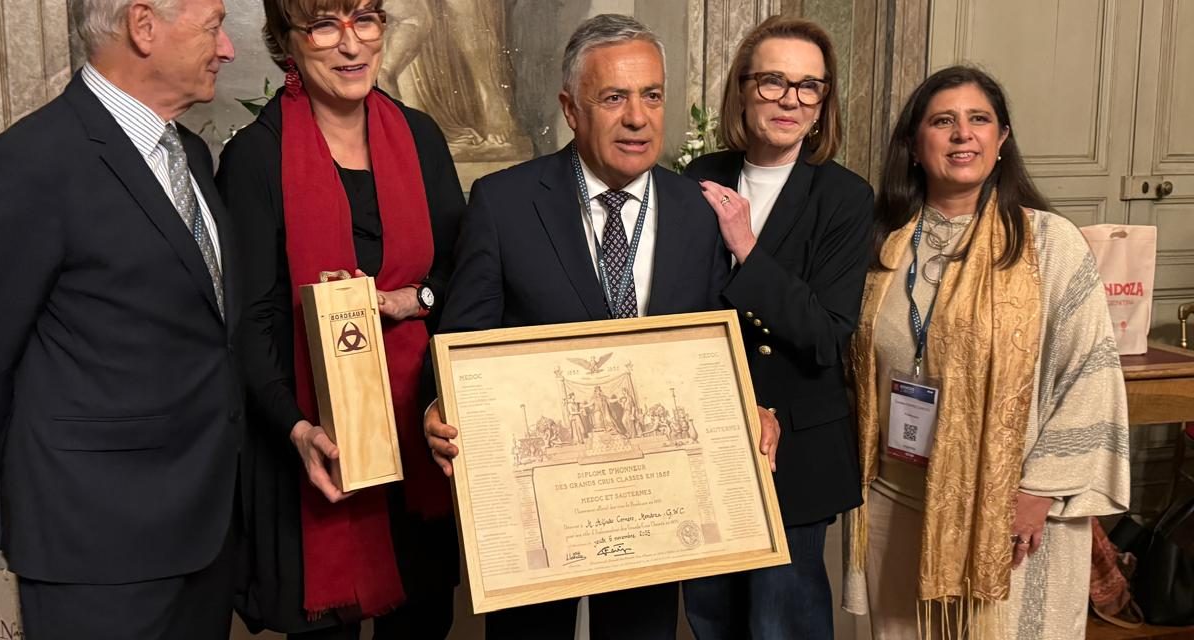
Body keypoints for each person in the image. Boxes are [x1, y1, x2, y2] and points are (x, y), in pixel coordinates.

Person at [420, 14, 780, 640]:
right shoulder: (503, 205)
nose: (638, 118)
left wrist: (750, 405)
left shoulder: (699, 214)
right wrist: (438, 403)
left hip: (654, 508)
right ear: (570, 108)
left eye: (652, 95)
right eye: (614, 97)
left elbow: (711, 351)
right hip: (541, 510)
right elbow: (462, 344)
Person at [0, 0, 239, 637]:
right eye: (213, 24)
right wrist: (42, 488)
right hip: (92, 551)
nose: (229, 48)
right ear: (143, 25)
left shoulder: (192, 157)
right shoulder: (28, 165)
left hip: (203, 534)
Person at [843, 65, 1130, 640]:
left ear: (1001, 141)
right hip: (895, 501)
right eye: (942, 121)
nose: (962, 135)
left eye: (979, 120)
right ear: (914, 144)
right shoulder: (882, 246)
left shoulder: (1049, 245)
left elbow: (1089, 373)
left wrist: (1040, 490)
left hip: (1006, 510)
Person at [215, 0, 464, 638]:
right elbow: (250, 322)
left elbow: (462, 280)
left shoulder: (421, 137)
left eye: (366, 19)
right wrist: (296, 428)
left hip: (418, 441)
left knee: (423, 621)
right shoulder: (254, 158)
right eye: (326, 24)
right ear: (285, 41)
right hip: (311, 452)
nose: (351, 45)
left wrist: (419, 300)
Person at [677, 16, 872, 640]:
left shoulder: (844, 196)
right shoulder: (693, 178)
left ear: (822, 105)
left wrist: (747, 250)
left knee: (781, 620)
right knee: (709, 613)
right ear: (742, 88)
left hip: (795, 443)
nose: (790, 99)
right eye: (773, 81)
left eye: (809, 86)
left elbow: (826, 333)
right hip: (703, 432)